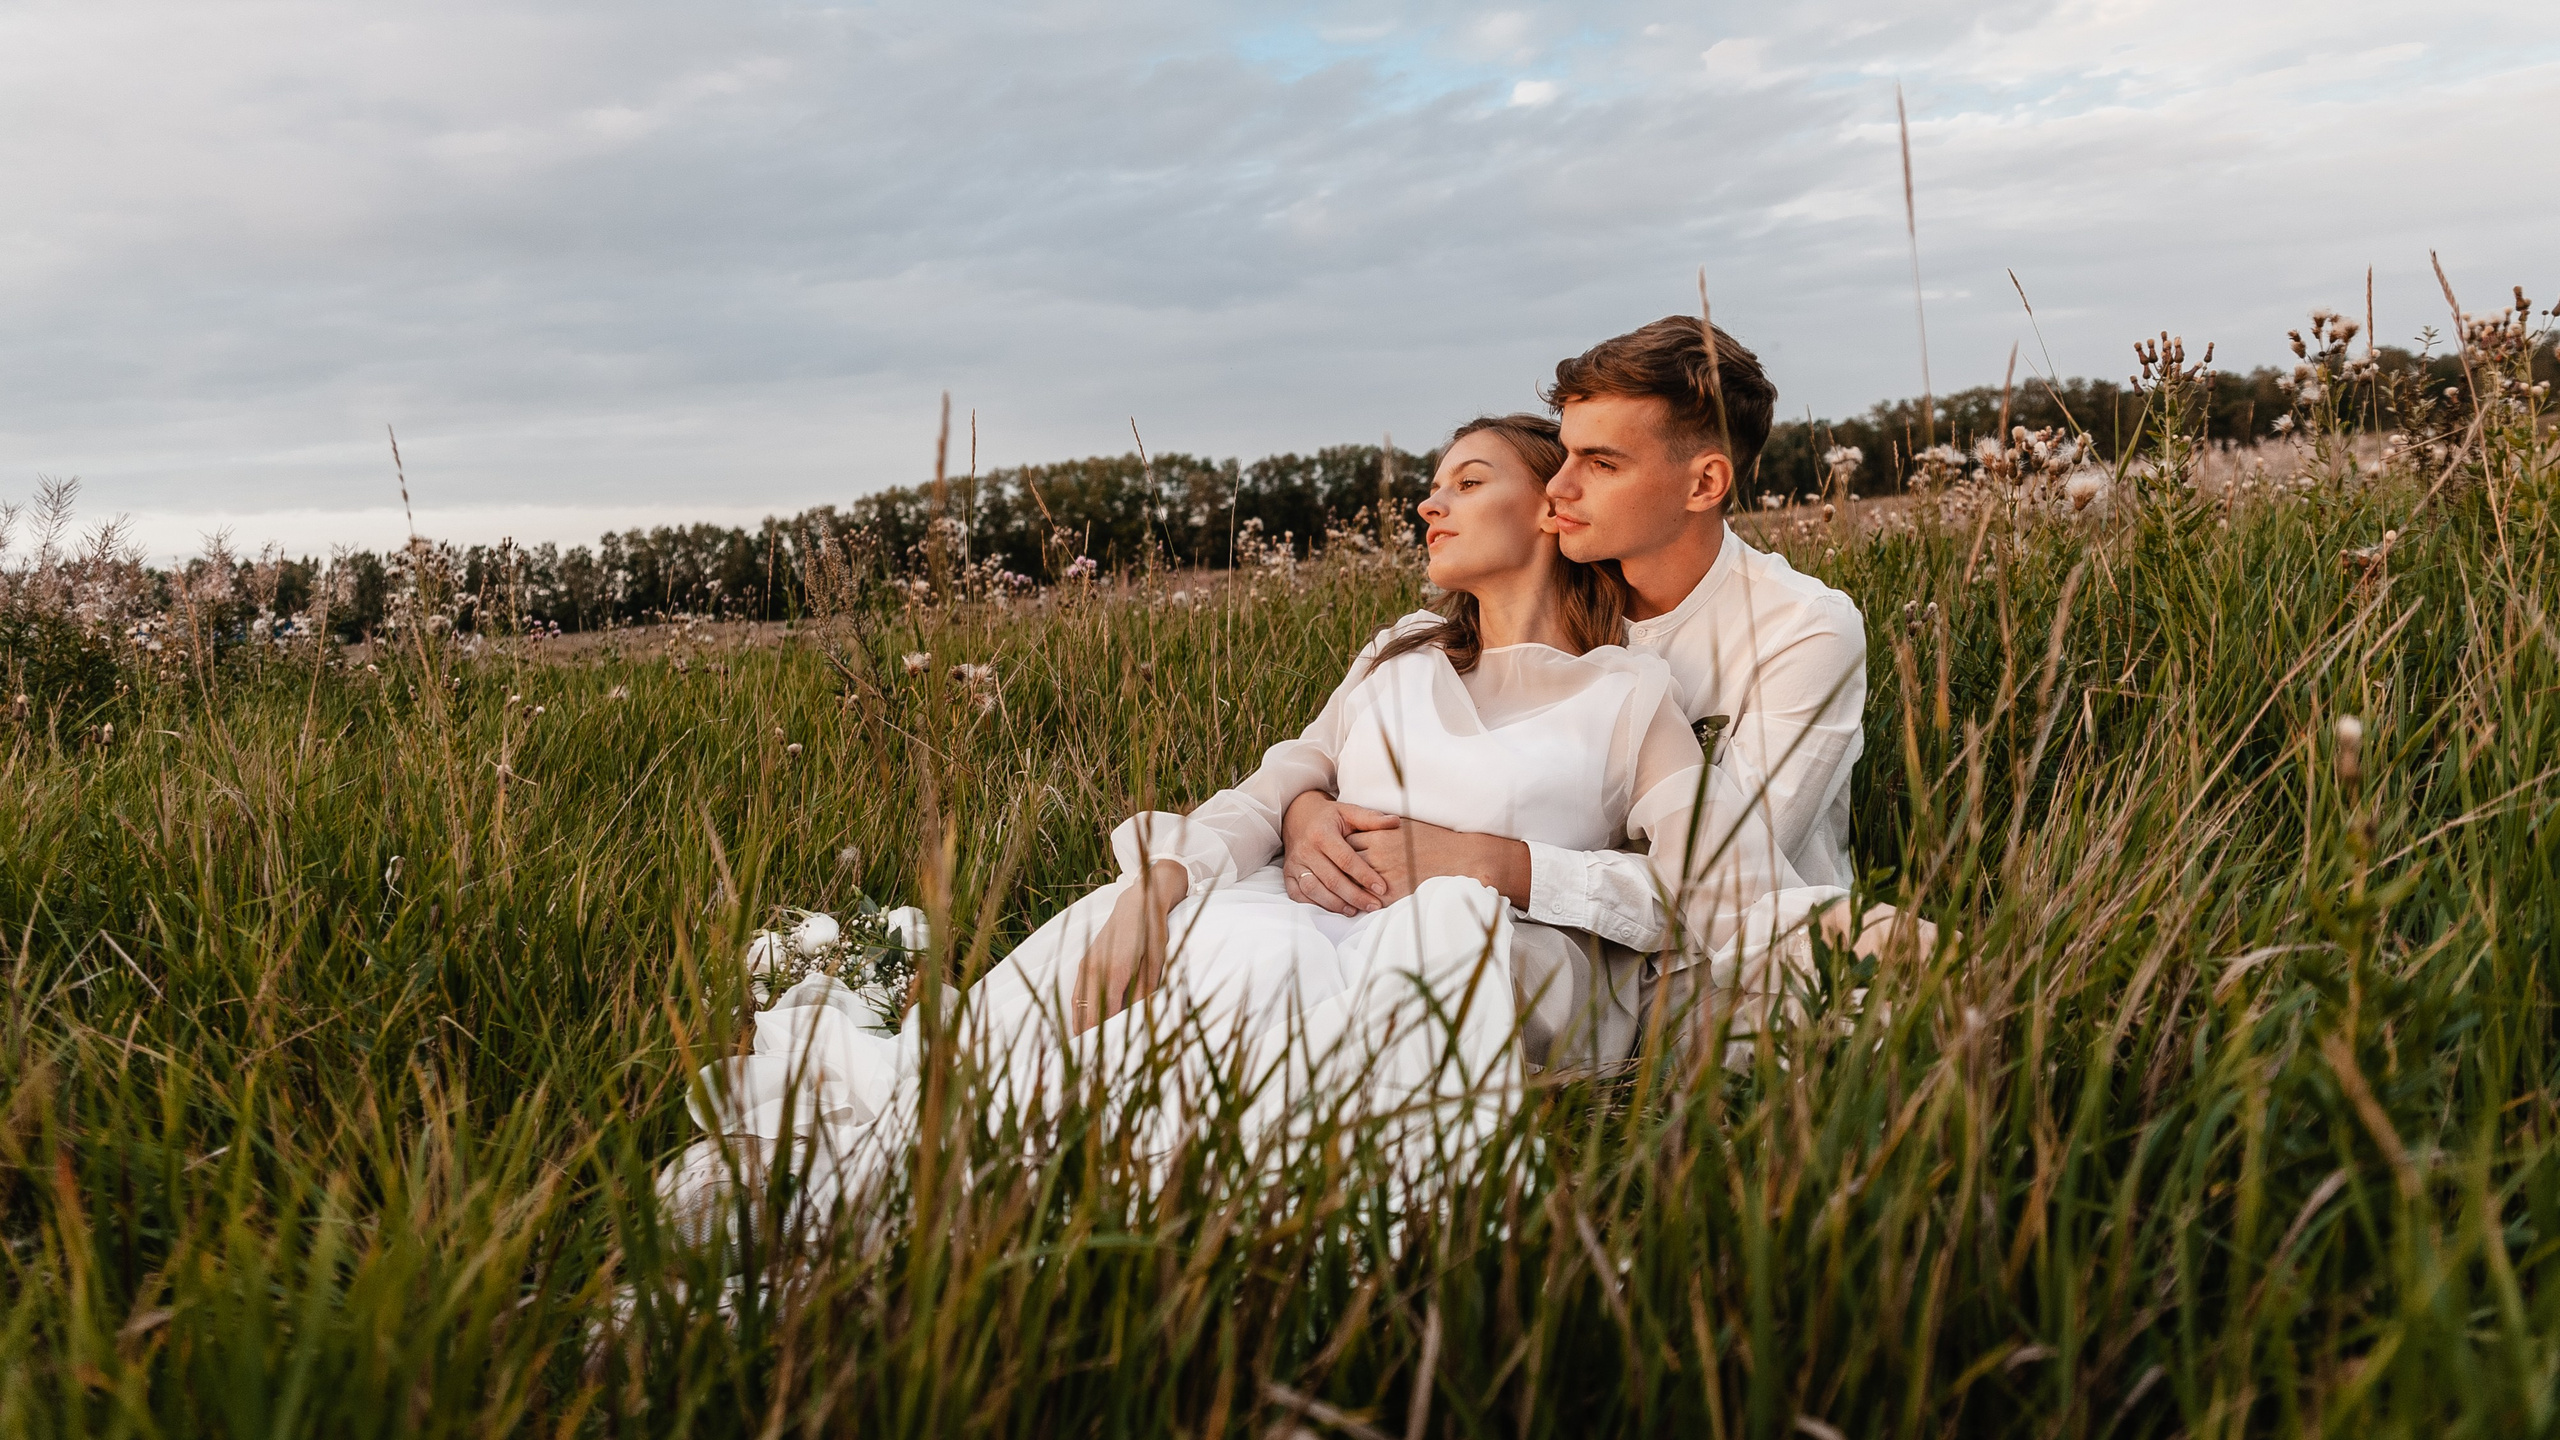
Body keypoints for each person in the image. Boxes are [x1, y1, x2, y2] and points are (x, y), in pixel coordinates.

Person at [661, 414, 1848, 1231]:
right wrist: (1161, 882)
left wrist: (1493, 864)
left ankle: (1167, 1194)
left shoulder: (1629, 691)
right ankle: (971, 1160)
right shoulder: (1398, 651)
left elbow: (1703, 893)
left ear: (1553, 507)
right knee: (1210, 927)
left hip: (1468, 946)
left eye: (1469, 479)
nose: (1429, 500)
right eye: (1435, 481)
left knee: (1322, 944)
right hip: (1305, 917)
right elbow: (1270, 787)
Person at [1276, 317, 1880, 1067]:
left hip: (1716, 970)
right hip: (1533, 941)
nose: (1558, 488)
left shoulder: (1801, 630)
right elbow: (1327, 754)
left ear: (1704, 483)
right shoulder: (1530, 611)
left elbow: (1721, 884)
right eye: (1563, 455)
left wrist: (1482, 859)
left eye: (1600, 463)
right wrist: (1306, 814)